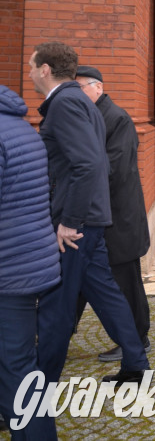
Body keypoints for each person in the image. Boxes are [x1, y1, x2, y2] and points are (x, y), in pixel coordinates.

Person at [30, 42, 150, 386]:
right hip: (91, 221)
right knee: (104, 293)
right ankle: (136, 367)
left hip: (78, 224)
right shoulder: (78, 100)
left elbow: (89, 164)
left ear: (45, 69)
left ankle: (33, 394)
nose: (28, 72)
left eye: (31, 66)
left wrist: (70, 221)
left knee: (56, 306)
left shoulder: (66, 103)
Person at [73, 66, 153, 364]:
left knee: (125, 282)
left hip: (118, 220)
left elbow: (114, 170)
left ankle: (136, 337)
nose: (77, 93)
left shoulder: (116, 118)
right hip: (93, 217)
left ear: (98, 87)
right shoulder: (89, 117)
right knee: (77, 279)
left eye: (81, 87)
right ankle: (56, 333)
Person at [0, 84, 60, 440]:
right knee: (17, 363)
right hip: (25, 263)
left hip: (8, 270)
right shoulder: (21, 126)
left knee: (17, 367)